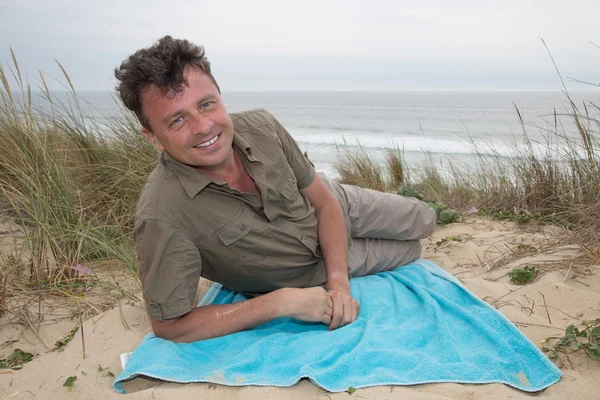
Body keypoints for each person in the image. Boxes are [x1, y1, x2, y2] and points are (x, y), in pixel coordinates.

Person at [115, 36, 437, 343]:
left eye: (207, 104)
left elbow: (325, 203)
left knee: (425, 220)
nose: (203, 127)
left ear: (220, 96)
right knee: (412, 249)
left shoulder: (261, 125)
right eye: (177, 120)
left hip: (338, 207)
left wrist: (340, 284)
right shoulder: (162, 214)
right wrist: (281, 303)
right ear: (153, 137)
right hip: (310, 269)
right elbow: (170, 326)